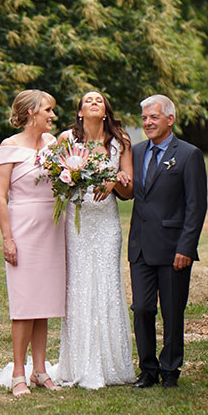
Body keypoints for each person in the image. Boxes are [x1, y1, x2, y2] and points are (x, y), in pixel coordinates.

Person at [51, 90, 136, 389]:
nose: (93, 103)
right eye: (87, 100)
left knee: (107, 283)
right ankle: (78, 362)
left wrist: (114, 182)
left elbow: (129, 190)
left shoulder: (120, 142)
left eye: (98, 100)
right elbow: (54, 181)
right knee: (79, 285)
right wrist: (71, 177)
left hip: (106, 222)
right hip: (77, 221)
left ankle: (111, 364)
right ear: (80, 112)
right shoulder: (66, 139)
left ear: (105, 112)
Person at [128, 94, 207, 389]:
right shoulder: (135, 152)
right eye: (144, 118)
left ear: (170, 120)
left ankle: (171, 369)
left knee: (173, 312)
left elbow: (196, 206)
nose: (148, 122)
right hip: (140, 247)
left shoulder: (189, 154)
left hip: (174, 248)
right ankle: (148, 369)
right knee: (142, 308)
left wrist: (186, 247)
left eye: (154, 117)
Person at [0, 90, 64, 397]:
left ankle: (40, 370)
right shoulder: (9, 147)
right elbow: (0, 197)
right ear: (32, 112)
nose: (53, 116)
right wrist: (8, 239)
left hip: (52, 228)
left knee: (43, 302)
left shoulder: (53, 144)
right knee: (24, 305)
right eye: (48, 110)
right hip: (23, 229)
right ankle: (18, 372)